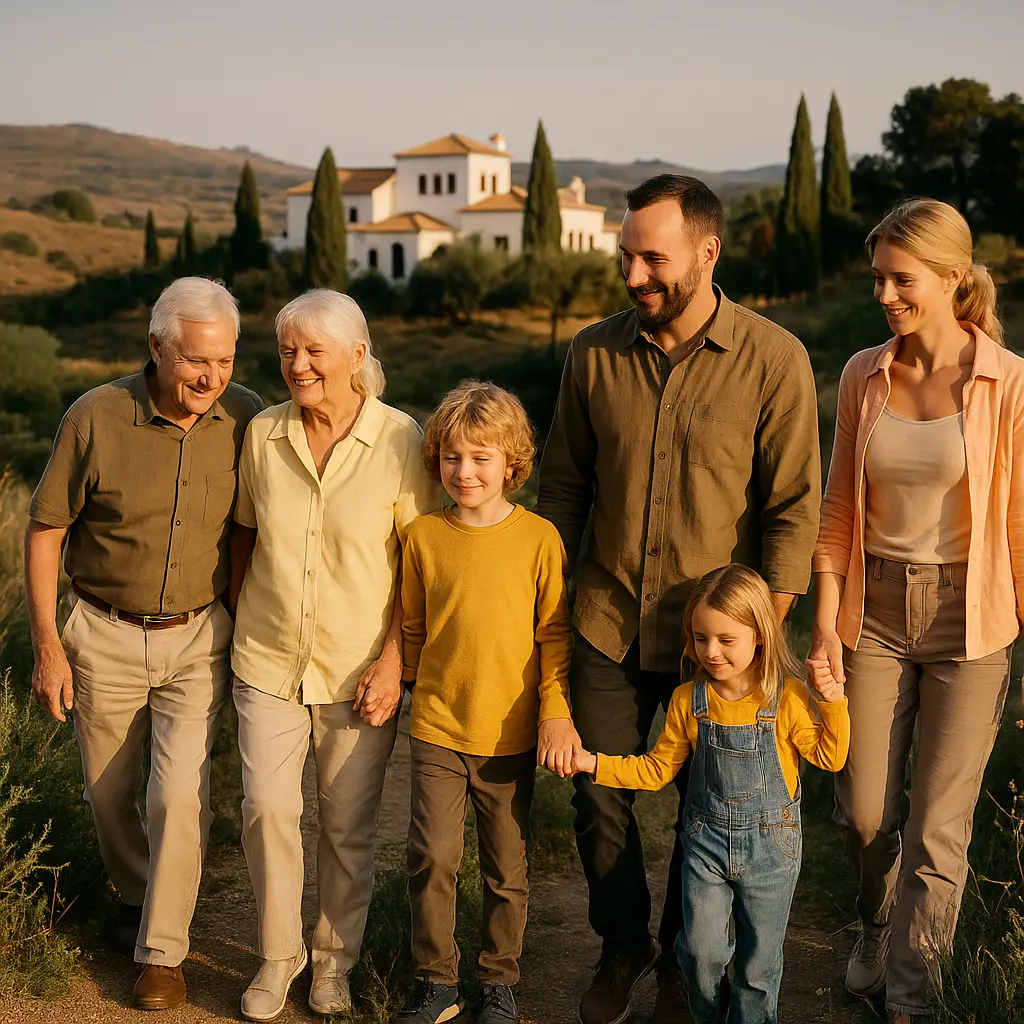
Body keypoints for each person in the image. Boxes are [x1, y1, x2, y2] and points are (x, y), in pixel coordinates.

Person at [535, 173, 821, 1024]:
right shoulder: (593, 354)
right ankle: (623, 945)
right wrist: (545, 606)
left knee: (706, 805)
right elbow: (563, 489)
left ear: (707, 252)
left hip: (718, 647)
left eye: (652, 259)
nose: (633, 275)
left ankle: (683, 954)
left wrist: (758, 641)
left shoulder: (774, 359)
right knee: (597, 796)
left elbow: (792, 508)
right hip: (606, 620)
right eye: (626, 257)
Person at [807, 198, 1024, 1023]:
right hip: (874, 611)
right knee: (865, 814)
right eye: (878, 279)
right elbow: (837, 510)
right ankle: (876, 923)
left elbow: (1020, 525)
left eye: (901, 280)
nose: (884, 296)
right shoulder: (863, 374)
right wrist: (824, 628)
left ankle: (911, 998)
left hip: (973, 617)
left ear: (952, 277)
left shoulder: (1009, 382)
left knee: (939, 827)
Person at [25, 277, 261, 1010]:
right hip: (102, 634)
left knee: (179, 795)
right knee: (108, 795)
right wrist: (48, 647)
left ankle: (163, 950)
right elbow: (45, 531)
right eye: (196, 361)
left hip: (198, 637)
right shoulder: (94, 416)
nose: (211, 379)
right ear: (156, 347)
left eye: (224, 361)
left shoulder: (246, 417)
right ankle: (135, 891)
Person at [228, 290, 437, 1022]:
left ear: (357, 355)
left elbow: (419, 562)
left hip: (359, 669)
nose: (298, 365)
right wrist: (239, 616)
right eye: (288, 350)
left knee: (347, 827)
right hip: (266, 658)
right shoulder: (263, 433)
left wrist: (394, 659)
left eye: (315, 351)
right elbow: (244, 535)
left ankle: (332, 964)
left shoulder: (402, 439)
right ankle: (277, 956)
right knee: (267, 809)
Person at [574, 564, 849, 1024]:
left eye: (726, 640)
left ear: (759, 635)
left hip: (771, 851)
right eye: (701, 638)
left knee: (757, 970)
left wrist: (834, 701)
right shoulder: (689, 700)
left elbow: (830, 756)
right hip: (705, 846)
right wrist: (593, 763)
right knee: (700, 954)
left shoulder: (786, 698)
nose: (712, 652)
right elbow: (657, 769)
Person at [394, 381, 576, 1024]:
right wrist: (402, 684)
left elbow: (554, 636)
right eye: (451, 457)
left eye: (480, 457)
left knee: (506, 867)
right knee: (433, 857)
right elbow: (412, 627)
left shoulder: (539, 539)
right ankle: (436, 982)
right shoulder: (422, 537)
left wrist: (555, 710)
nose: (464, 471)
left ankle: (498, 981)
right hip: (438, 727)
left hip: (511, 733)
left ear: (511, 463)